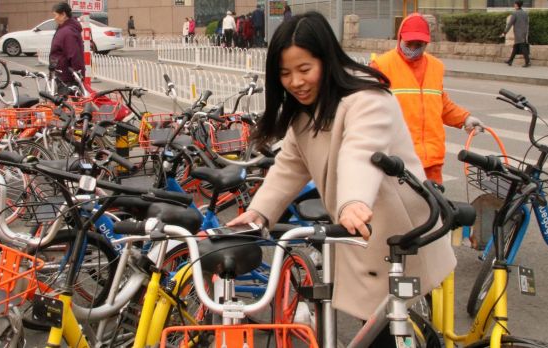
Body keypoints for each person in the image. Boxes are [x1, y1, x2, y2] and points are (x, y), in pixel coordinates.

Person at [227, 11, 456, 346]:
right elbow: (289, 166)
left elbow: (361, 153)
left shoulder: (367, 99)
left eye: (305, 69)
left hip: (400, 235)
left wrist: (352, 202)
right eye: (285, 74)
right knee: (378, 327)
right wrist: (259, 213)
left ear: (327, 60)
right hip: (361, 234)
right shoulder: (305, 113)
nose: (296, 82)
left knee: (393, 329)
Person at [370, 13, 485, 185]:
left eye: (420, 44)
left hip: (432, 161)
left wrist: (465, 118)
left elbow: (442, 104)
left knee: (435, 209)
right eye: (410, 43)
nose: (414, 48)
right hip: (399, 161)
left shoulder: (435, 66)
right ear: (400, 37)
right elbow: (368, 109)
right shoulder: (382, 66)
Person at [49, 2, 84, 96]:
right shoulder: (64, 29)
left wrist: (78, 76)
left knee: (68, 106)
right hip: (62, 75)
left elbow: (74, 55)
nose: (54, 18)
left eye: (55, 15)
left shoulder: (67, 32)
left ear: (63, 14)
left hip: (66, 78)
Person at [502, 0, 530, 67]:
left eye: (514, 4)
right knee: (516, 46)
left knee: (523, 47)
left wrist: (505, 32)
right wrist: (526, 32)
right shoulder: (525, 13)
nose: (514, 5)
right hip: (524, 32)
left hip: (518, 33)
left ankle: (527, 62)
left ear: (517, 5)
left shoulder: (515, 13)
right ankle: (510, 61)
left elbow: (510, 24)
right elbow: (527, 24)